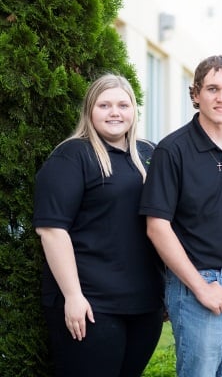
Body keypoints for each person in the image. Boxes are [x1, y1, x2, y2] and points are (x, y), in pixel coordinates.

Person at [139, 55, 222, 377]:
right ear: (196, 94)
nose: (221, 97)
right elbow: (157, 227)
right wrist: (201, 287)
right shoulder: (172, 150)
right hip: (197, 286)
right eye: (213, 88)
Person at [32, 74, 165, 377]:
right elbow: (52, 231)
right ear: (90, 110)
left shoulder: (149, 155)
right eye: (104, 105)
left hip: (145, 304)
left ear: (134, 110)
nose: (114, 112)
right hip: (92, 305)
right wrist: (73, 296)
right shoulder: (71, 156)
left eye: (122, 104)